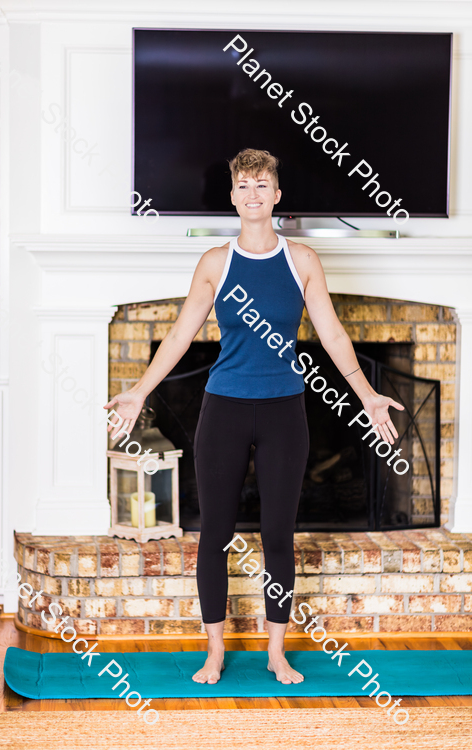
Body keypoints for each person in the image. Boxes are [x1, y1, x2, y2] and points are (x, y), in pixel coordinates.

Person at [104, 148, 404, 686]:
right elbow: (179, 335)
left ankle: (275, 651)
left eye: (262, 184)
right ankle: (215, 651)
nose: (252, 193)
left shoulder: (303, 260)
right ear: (233, 196)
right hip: (224, 409)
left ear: (277, 195)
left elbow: (333, 334)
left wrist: (366, 395)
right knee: (215, 532)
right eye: (243, 185)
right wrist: (137, 391)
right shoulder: (216, 262)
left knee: (277, 535)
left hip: (285, 410)